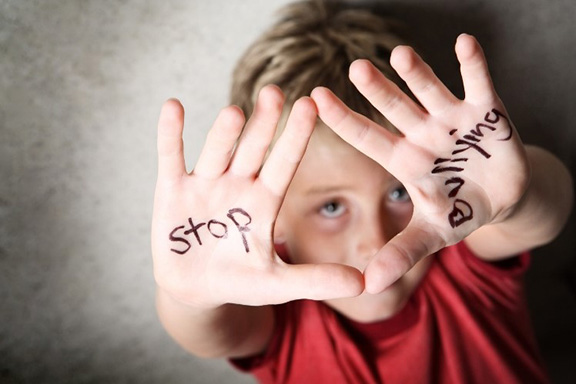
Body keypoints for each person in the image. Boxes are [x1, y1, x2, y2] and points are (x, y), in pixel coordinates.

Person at [151, 1, 574, 383]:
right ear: (273, 218)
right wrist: (188, 298)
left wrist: (518, 193)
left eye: (398, 194)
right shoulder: (276, 316)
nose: (377, 240)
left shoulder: (462, 264)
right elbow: (213, 335)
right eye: (331, 206)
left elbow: (541, 216)